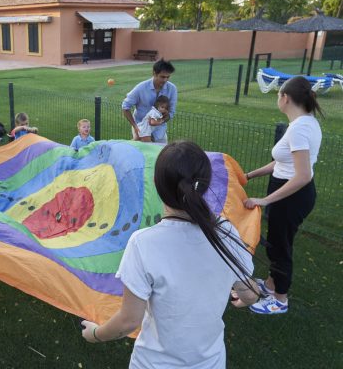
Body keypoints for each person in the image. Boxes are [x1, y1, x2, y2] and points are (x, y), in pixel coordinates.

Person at [81, 140, 259, 368]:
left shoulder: (143, 244)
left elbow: (128, 321)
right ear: (204, 184)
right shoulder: (227, 232)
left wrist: (95, 334)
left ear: (157, 185)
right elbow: (250, 292)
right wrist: (245, 298)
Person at [244, 76, 322, 315]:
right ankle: (270, 285)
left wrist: (265, 200)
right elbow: (280, 162)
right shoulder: (305, 122)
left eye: (278, 95)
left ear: (285, 98)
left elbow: (302, 176)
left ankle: (280, 299)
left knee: (280, 246)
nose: (278, 99)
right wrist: (248, 175)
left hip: (292, 196)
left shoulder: (299, 128)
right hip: (290, 193)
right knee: (279, 241)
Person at [122, 59, 177, 143]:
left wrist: (161, 120)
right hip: (141, 129)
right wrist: (135, 127)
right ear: (154, 73)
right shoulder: (141, 88)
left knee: (162, 155)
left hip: (160, 131)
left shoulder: (172, 89)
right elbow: (125, 107)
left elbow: (171, 112)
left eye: (168, 77)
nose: (165, 80)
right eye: (162, 77)